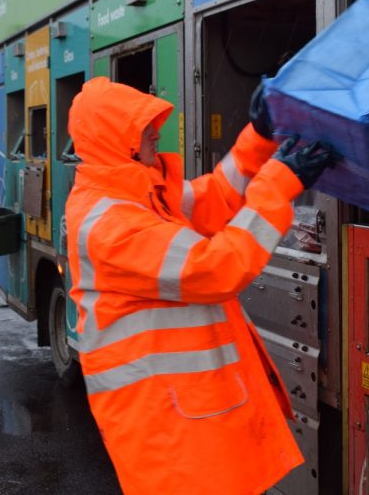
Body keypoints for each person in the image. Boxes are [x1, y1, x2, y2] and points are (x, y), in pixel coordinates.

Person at [64, 77, 334, 495]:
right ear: (117, 141)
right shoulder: (112, 223)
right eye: (143, 126)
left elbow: (216, 198)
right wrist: (278, 184)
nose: (156, 131)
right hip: (168, 432)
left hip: (182, 418)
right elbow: (215, 269)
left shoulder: (136, 196)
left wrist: (259, 138)